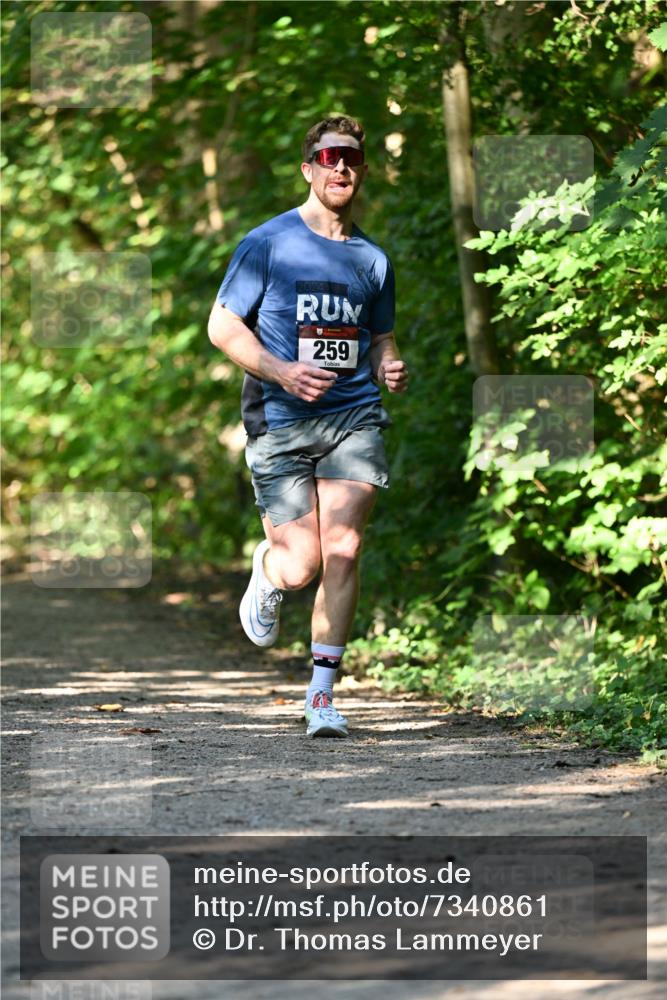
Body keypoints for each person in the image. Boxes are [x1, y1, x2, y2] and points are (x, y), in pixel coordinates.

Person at [207, 114, 408, 738]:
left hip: (353, 417)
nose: (340, 167)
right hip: (281, 419)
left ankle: (321, 696)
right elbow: (222, 327)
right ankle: (269, 569)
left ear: (362, 172)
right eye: (328, 157)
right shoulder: (268, 242)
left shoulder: (373, 260)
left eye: (350, 158)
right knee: (302, 567)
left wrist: (389, 364)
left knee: (345, 550)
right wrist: (282, 372)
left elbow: (380, 338)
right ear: (309, 168)